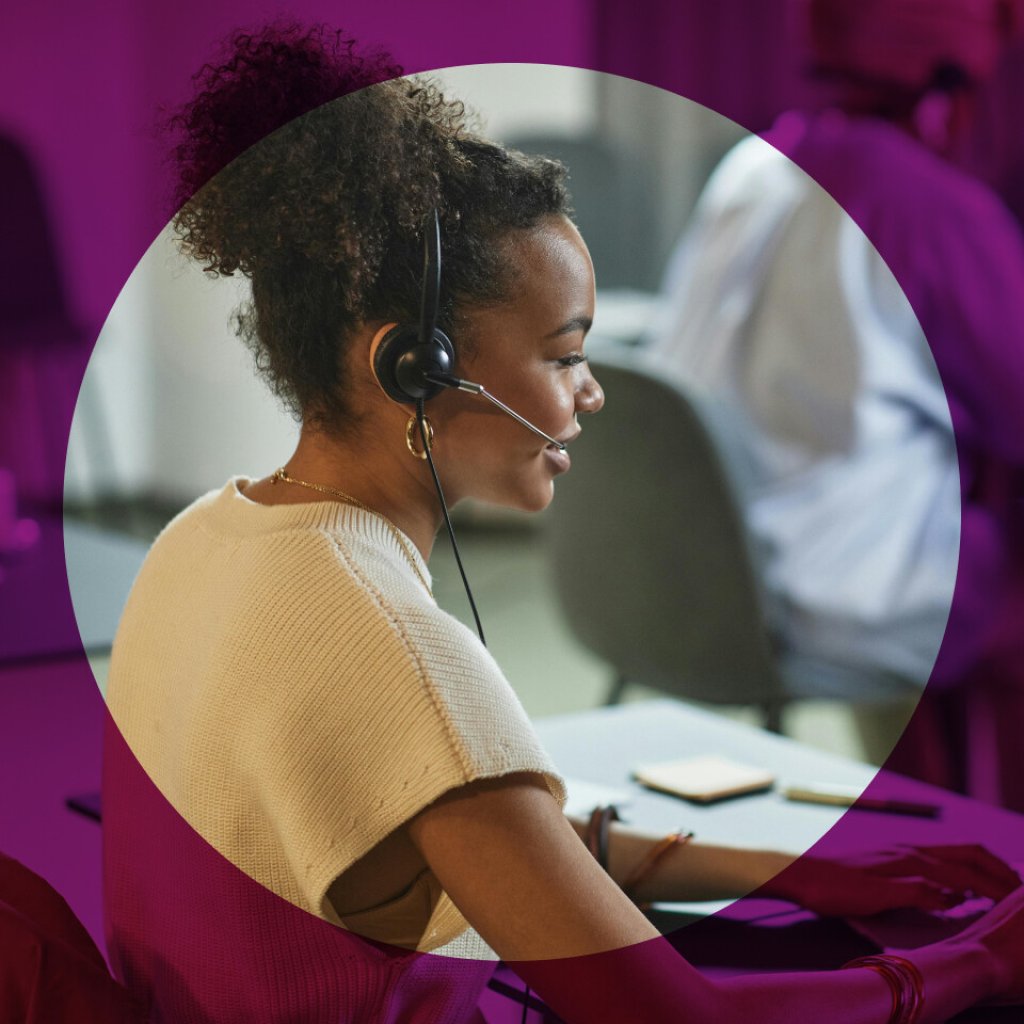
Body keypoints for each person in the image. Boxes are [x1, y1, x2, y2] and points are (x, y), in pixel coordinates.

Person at [102, 23, 1024, 1024]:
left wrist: (788, 870)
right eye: (562, 354)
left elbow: (493, 847)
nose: (592, 394)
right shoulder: (404, 660)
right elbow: (680, 1021)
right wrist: (977, 962)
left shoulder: (195, 539)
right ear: (414, 367)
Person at [648, 0, 1024, 801]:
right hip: (827, 602)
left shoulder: (753, 164)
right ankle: (981, 844)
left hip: (675, 581)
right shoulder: (924, 207)